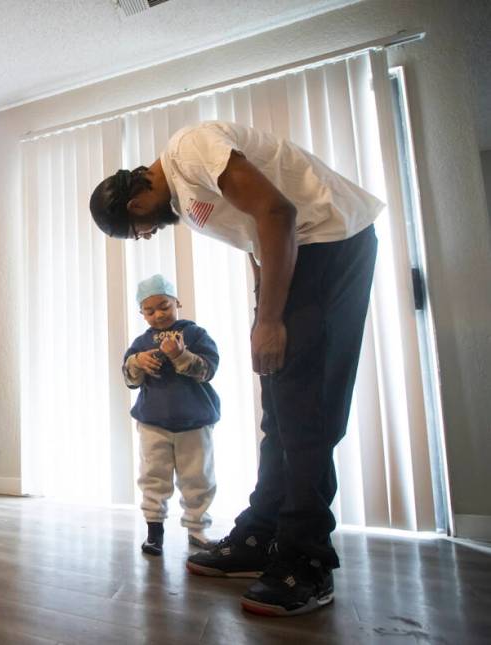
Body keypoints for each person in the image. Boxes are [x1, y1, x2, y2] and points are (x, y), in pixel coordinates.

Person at [90, 120, 381, 617]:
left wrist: (271, 319)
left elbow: (276, 211)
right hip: (297, 258)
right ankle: (263, 532)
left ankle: (307, 562)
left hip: (330, 245)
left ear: (134, 205)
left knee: (306, 414)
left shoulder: (188, 146)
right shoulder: (185, 194)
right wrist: (262, 308)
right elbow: (256, 237)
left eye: (142, 230)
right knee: (280, 412)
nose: (150, 233)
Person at [124, 274, 220, 556]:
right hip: (153, 421)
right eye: (149, 310)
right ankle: (155, 530)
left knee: (198, 477)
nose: (158, 314)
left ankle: (197, 529)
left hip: (195, 420)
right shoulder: (141, 342)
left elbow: (209, 369)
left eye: (164, 306)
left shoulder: (195, 334)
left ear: (177, 302)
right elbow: (129, 379)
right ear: (141, 313)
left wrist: (181, 355)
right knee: (153, 476)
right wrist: (137, 362)